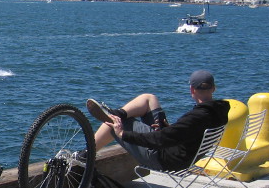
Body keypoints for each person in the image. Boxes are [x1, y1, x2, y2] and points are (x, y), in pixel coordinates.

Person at [86, 70, 230, 171]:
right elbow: (185, 132)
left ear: (192, 90)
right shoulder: (220, 111)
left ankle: (86, 155)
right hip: (181, 154)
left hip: (163, 159)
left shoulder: (195, 117)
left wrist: (122, 134)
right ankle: (117, 113)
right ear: (214, 89)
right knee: (149, 98)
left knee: (113, 123)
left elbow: (159, 140)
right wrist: (169, 128)